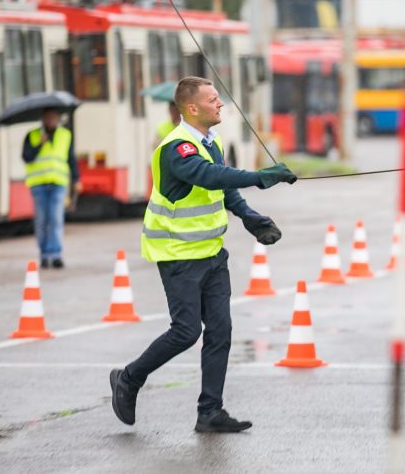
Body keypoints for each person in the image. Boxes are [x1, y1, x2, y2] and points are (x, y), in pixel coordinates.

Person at [109, 76, 297, 433]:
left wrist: (249, 216)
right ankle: (129, 378)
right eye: (213, 100)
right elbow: (208, 176)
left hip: (212, 254)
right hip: (179, 254)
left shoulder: (211, 142)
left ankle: (210, 412)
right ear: (192, 108)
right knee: (185, 331)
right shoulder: (177, 148)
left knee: (221, 330)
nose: (220, 104)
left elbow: (222, 187)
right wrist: (261, 177)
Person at [22, 108, 81, 269]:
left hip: (58, 183)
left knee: (55, 219)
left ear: (57, 119)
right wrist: (39, 144)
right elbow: (27, 157)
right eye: (47, 118)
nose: (50, 121)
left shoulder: (65, 135)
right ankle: (44, 254)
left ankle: (55, 254)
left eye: (53, 118)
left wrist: (76, 179)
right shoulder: (32, 135)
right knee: (41, 221)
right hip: (38, 184)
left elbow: (71, 159)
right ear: (42, 119)